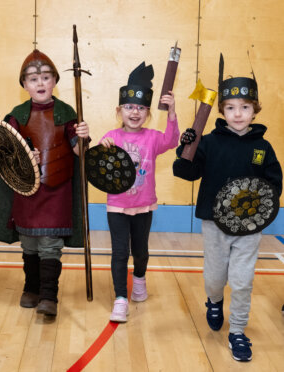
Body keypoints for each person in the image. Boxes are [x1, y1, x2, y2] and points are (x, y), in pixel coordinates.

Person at [173, 55, 282, 361]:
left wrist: (262, 205)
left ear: (254, 110)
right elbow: (187, 173)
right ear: (222, 109)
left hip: (249, 228)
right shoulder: (208, 142)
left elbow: (273, 183)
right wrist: (186, 149)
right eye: (231, 108)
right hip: (214, 223)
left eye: (245, 108)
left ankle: (237, 331)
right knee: (215, 277)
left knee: (244, 280)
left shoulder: (263, 147)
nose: (238, 114)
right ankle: (214, 300)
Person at [0, 49, 89, 317]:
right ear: (24, 85)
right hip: (28, 190)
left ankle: (49, 295)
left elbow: (79, 153)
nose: (40, 83)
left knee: (50, 244)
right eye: (33, 78)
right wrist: (22, 157)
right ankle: (31, 287)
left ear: (54, 81)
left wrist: (84, 138)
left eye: (45, 77)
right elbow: (5, 151)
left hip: (57, 189)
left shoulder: (66, 113)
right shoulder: (17, 115)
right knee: (29, 242)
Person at [99, 62, 179, 323]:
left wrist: (172, 112)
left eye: (141, 108)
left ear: (147, 112)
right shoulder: (111, 136)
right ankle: (120, 298)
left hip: (144, 206)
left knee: (141, 251)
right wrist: (104, 146)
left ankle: (140, 279)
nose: (135, 112)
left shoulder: (154, 138)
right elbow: (100, 160)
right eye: (129, 107)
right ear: (119, 110)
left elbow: (172, 140)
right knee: (120, 252)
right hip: (117, 207)